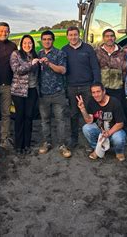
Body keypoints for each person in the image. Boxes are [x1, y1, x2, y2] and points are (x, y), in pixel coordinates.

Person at [62, 26, 101, 148]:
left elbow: (95, 67)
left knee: (90, 112)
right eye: (70, 35)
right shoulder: (64, 50)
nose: (73, 37)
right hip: (72, 86)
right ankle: (74, 138)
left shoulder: (88, 48)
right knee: (73, 113)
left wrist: (96, 83)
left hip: (87, 86)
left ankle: (93, 137)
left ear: (79, 35)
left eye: (75, 34)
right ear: (67, 36)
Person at [37, 30, 72, 158]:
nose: (47, 41)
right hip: (43, 94)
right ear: (41, 41)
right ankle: (47, 143)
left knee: (60, 121)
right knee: (45, 121)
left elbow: (63, 70)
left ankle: (62, 145)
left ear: (53, 40)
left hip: (58, 93)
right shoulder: (38, 54)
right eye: (44, 39)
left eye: (49, 39)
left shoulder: (60, 53)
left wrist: (49, 63)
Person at [77, 82, 127, 161]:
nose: (96, 95)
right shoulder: (91, 102)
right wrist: (82, 109)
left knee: (119, 138)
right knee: (86, 128)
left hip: (114, 130)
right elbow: (89, 121)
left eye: (98, 91)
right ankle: (97, 149)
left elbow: (120, 124)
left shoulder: (115, 102)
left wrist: (108, 133)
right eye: (93, 92)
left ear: (104, 91)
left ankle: (119, 152)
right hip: (100, 129)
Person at [10, 35, 40, 155]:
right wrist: (31, 64)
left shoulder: (35, 55)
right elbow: (17, 70)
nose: (27, 45)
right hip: (18, 91)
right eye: (25, 43)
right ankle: (19, 145)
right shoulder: (15, 54)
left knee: (29, 117)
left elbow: (38, 72)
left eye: (30, 43)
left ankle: (27, 144)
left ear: (33, 44)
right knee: (19, 117)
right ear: (21, 44)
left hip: (32, 90)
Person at [95, 28, 127, 109]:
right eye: (107, 36)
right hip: (103, 87)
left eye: (112, 36)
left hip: (118, 88)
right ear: (103, 38)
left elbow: (126, 69)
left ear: (115, 38)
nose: (109, 38)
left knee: (118, 109)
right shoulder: (96, 52)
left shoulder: (123, 52)